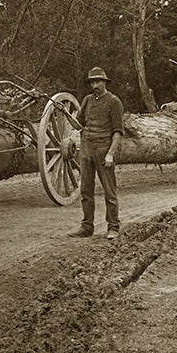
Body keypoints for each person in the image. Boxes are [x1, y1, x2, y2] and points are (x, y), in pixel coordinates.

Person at [68, 66, 124, 240]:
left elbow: (118, 132)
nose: (95, 85)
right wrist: (66, 115)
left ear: (105, 82)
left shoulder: (114, 102)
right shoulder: (87, 100)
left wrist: (110, 154)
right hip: (86, 151)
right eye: (92, 82)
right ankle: (86, 227)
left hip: (103, 151)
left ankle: (113, 227)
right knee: (85, 190)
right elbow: (79, 125)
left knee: (109, 191)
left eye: (98, 81)